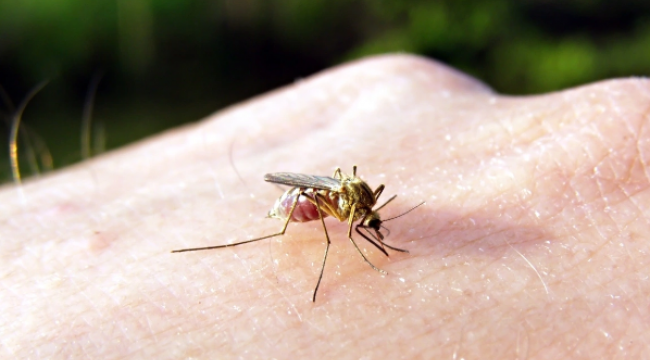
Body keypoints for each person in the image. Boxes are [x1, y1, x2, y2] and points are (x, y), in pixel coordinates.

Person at [1, 54, 647, 358]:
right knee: (327, 213)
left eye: (371, 221)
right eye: (373, 222)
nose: (373, 224)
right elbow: (340, 207)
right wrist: (326, 216)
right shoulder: (340, 208)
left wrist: (372, 224)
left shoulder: (365, 204)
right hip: (306, 196)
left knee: (353, 199)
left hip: (330, 192)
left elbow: (364, 206)